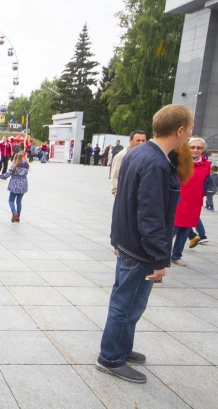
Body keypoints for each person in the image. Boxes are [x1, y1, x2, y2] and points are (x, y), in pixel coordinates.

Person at [97, 104, 193, 384]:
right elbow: (150, 215)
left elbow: (126, 202)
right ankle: (110, 357)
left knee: (128, 303)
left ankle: (121, 349)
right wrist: (160, 259)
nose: (190, 133)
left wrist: (116, 238)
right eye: (190, 128)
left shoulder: (139, 153)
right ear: (179, 131)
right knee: (127, 304)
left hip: (129, 243)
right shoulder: (156, 162)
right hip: (139, 249)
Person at [171, 137, 211, 266]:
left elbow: (206, 183)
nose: (195, 150)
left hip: (194, 202)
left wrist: (201, 195)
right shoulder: (180, 161)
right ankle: (161, 257)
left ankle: (176, 255)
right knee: (171, 231)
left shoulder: (206, 165)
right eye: (192, 147)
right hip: (179, 200)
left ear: (203, 149)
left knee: (185, 231)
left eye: (199, 148)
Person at [110, 130, 147, 196]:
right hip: (125, 196)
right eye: (138, 140)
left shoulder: (146, 155)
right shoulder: (122, 156)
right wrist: (118, 195)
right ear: (130, 140)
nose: (141, 143)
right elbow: (115, 176)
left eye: (143, 140)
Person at [0, 152, 29, 223]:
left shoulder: (14, 165)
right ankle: (18, 216)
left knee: (11, 200)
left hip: (14, 185)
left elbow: (8, 174)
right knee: (19, 201)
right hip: (23, 185)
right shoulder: (26, 164)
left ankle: (14, 212)